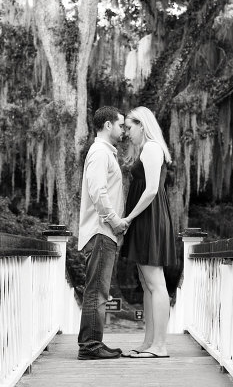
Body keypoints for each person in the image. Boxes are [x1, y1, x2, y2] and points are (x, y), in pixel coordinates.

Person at [119, 106, 177, 359]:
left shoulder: (152, 148)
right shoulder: (145, 149)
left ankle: (160, 346)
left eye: (129, 128)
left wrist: (129, 217)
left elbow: (152, 189)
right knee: (147, 284)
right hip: (145, 218)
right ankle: (149, 342)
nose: (126, 133)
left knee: (156, 283)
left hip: (149, 218)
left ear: (142, 125)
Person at [77, 106, 129, 360]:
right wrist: (115, 221)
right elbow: (98, 191)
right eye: (121, 125)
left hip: (104, 232)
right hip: (101, 231)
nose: (124, 130)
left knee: (99, 290)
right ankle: (89, 346)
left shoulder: (105, 152)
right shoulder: (99, 153)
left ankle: (94, 341)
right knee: (96, 290)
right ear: (108, 125)